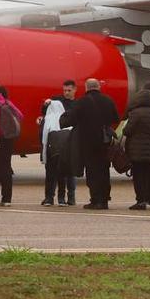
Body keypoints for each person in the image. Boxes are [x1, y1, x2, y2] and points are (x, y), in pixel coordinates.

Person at [60, 78, 119, 210]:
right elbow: (116, 118)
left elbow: (70, 120)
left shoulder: (82, 102)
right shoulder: (108, 100)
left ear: (86, 88)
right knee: (104, 171)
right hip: (105, 141)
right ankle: (104, 200)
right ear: (99, 87)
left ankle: (95, 199)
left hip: (88, 142)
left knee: (92, 171)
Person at [123, 88, 150, 209]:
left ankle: (140, 200)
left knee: (138, 176)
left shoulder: (135, 113)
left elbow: (127, 131)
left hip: (136, 150)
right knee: (148, 175)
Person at [38, 79, 77, 206]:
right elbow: (44, 112)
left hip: (68, 141)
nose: (66, 93)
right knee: (54, 172)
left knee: (68, 173)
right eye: (65, 90)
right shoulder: (57, 101)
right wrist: (46, 105)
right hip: (55, 143)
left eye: (69, 90)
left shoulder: (76, 105)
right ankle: (51, 197)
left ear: (74, 90)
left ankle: (69, 197)